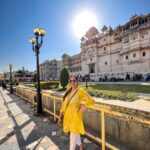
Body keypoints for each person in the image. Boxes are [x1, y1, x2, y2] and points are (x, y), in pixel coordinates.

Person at [58, 76, 95, 150]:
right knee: (75, 133)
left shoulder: (80, 91)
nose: (72, 82)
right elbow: (63, 105)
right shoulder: (67, 91)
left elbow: (91, 100)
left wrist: (84, 105)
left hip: (76, 118)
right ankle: (81, 147)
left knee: (72, 137)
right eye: (70, 81)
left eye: (74, 81)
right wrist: (60, 117)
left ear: (77, 82)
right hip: (68, 118)